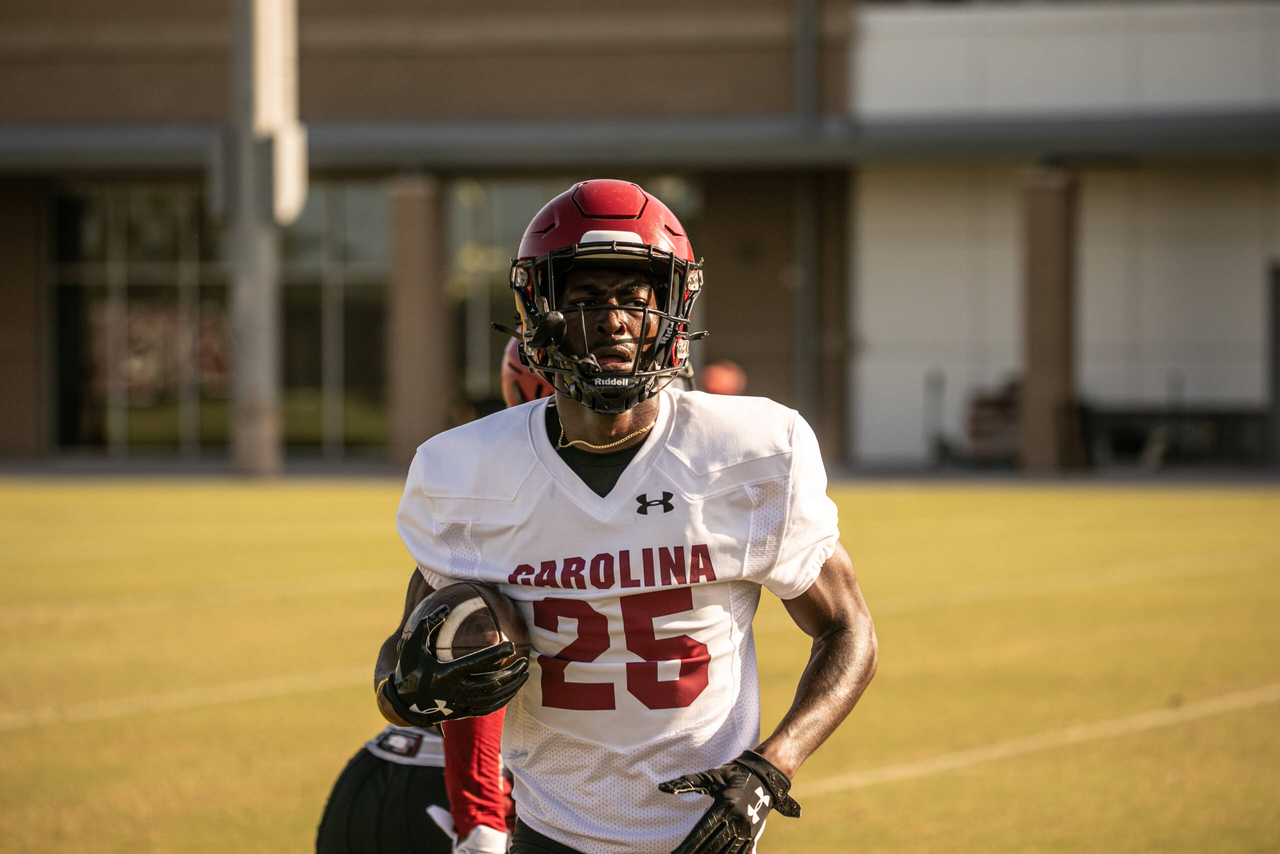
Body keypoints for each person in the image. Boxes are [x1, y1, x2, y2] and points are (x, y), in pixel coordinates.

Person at [376, 179, 878, 854]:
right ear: (538, 311)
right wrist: (416, 684)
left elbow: (849, 631)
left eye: (634, 301)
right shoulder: (466, 471)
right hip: (549, 836)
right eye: (584, 300)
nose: (612, 321)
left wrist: (770, 767)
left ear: (671, 312)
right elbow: (405, 678)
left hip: (705, 836)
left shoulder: (749, 451)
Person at [318, 350, 556, 854]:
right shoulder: (514, 505)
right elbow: (474, 650)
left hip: (411, 778)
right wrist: (482, 821)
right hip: (441, 801)